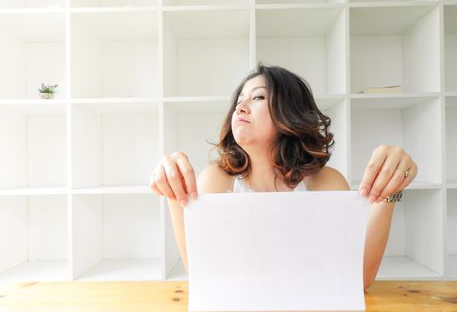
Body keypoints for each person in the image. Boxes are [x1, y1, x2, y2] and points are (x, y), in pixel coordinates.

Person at [149, 64, 417, 290]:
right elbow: (203, 275)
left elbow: (358, 280)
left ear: (291, 112)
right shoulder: (217, 181)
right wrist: (175, 195)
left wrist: (389, 190)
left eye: (258, 97)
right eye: (239, 99)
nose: (240, 107)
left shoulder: (326, 183)